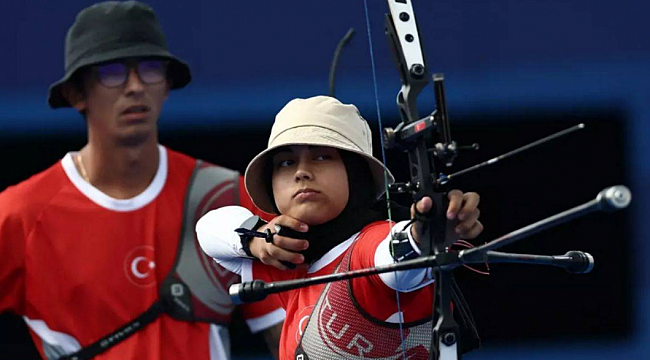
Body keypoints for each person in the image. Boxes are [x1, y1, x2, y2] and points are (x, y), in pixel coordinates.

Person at [0, 2, 284, 359]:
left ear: (166, 85)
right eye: (112, 71)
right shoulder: (18, 216)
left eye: (150, 69)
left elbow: (287, 338)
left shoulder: (226, 197)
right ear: (76, 93)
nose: (135, 86)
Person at [196, 95, 483, 359]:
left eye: (323, 157)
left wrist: (425, 235)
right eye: (286, 162)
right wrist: (256, 241)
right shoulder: (289, 257)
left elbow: (395, 255)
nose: (301, 172)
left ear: (355, 174)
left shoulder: (370, 242)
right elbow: (207, 229)